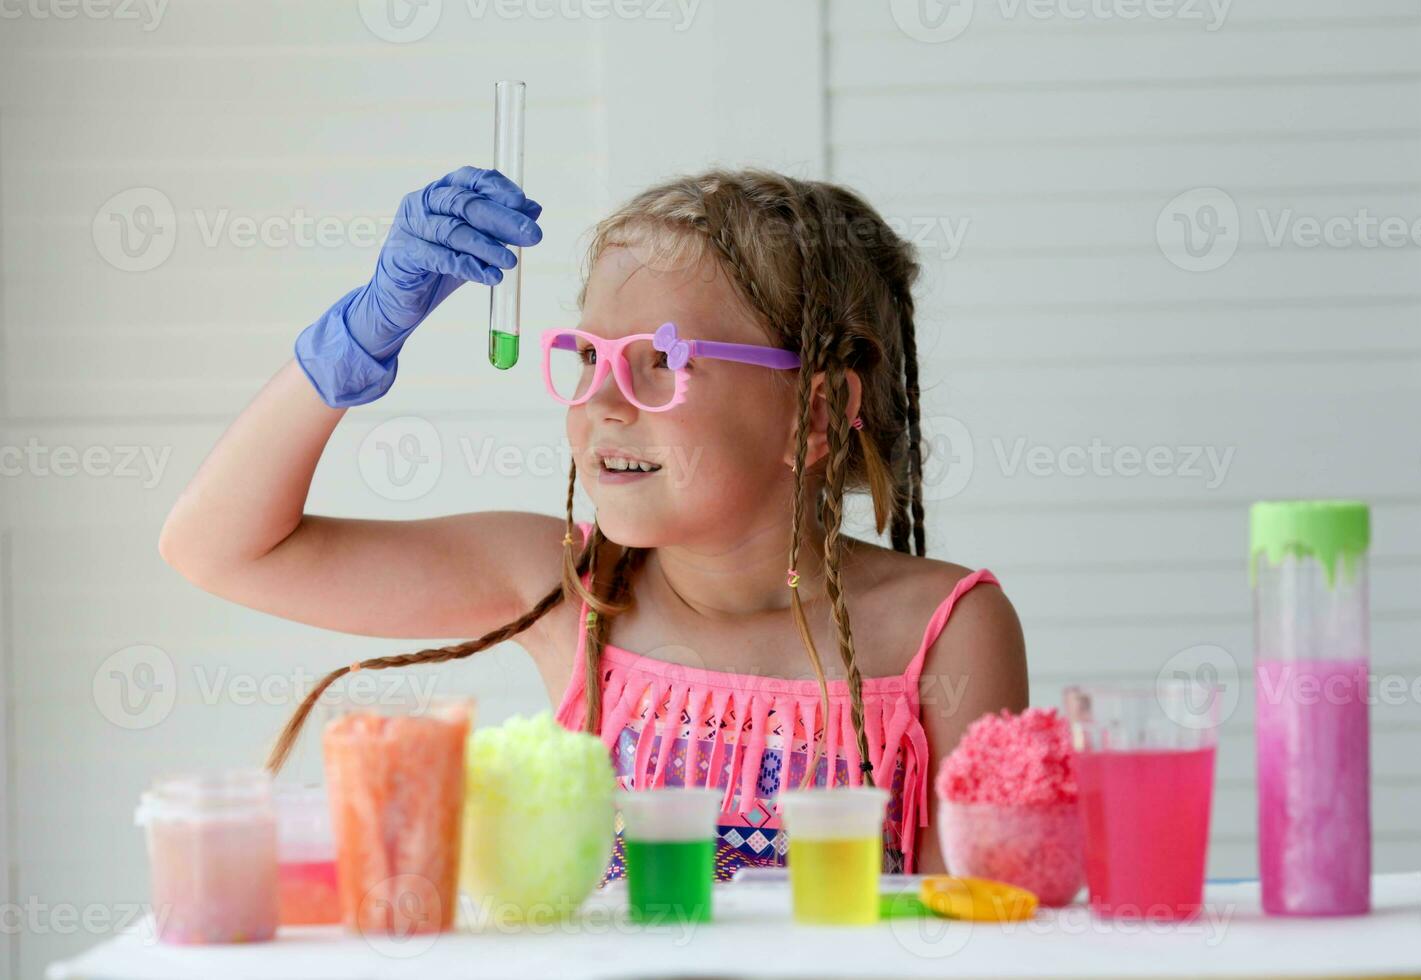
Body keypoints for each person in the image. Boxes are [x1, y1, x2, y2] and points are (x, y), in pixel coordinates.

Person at [158, 165, 1028, 878]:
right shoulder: (563, 588)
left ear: (811, 413)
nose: (601, 403)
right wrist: (355, 342)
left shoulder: (946, 632)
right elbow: (222, 550)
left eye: (660, 363)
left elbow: (962, 940)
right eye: (587, 357)